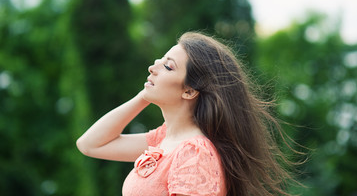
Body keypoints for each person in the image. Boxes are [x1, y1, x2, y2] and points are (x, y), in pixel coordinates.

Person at [76, 32, 298, 196]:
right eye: (160, 61)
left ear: (190, 91)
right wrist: (144, 95)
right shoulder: (164, 140)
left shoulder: (194, 152)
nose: (153, 67)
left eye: (168, 67)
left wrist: (150, 89)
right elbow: (90, 144)